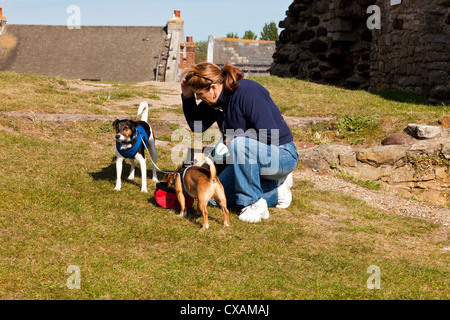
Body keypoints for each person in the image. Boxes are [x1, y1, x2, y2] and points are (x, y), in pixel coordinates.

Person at [180, 62, 298, 223]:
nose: (199, 98)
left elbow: (271, 134)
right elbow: (197, 126)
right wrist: (187, 97)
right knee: (214, 197)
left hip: (281, 155)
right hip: (246, 157)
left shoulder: (247, 92)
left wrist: (236, 138)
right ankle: (276, 192)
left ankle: (253, 202)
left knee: (237, 143)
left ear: (213, 88)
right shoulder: (216, 102)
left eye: (199, 94)